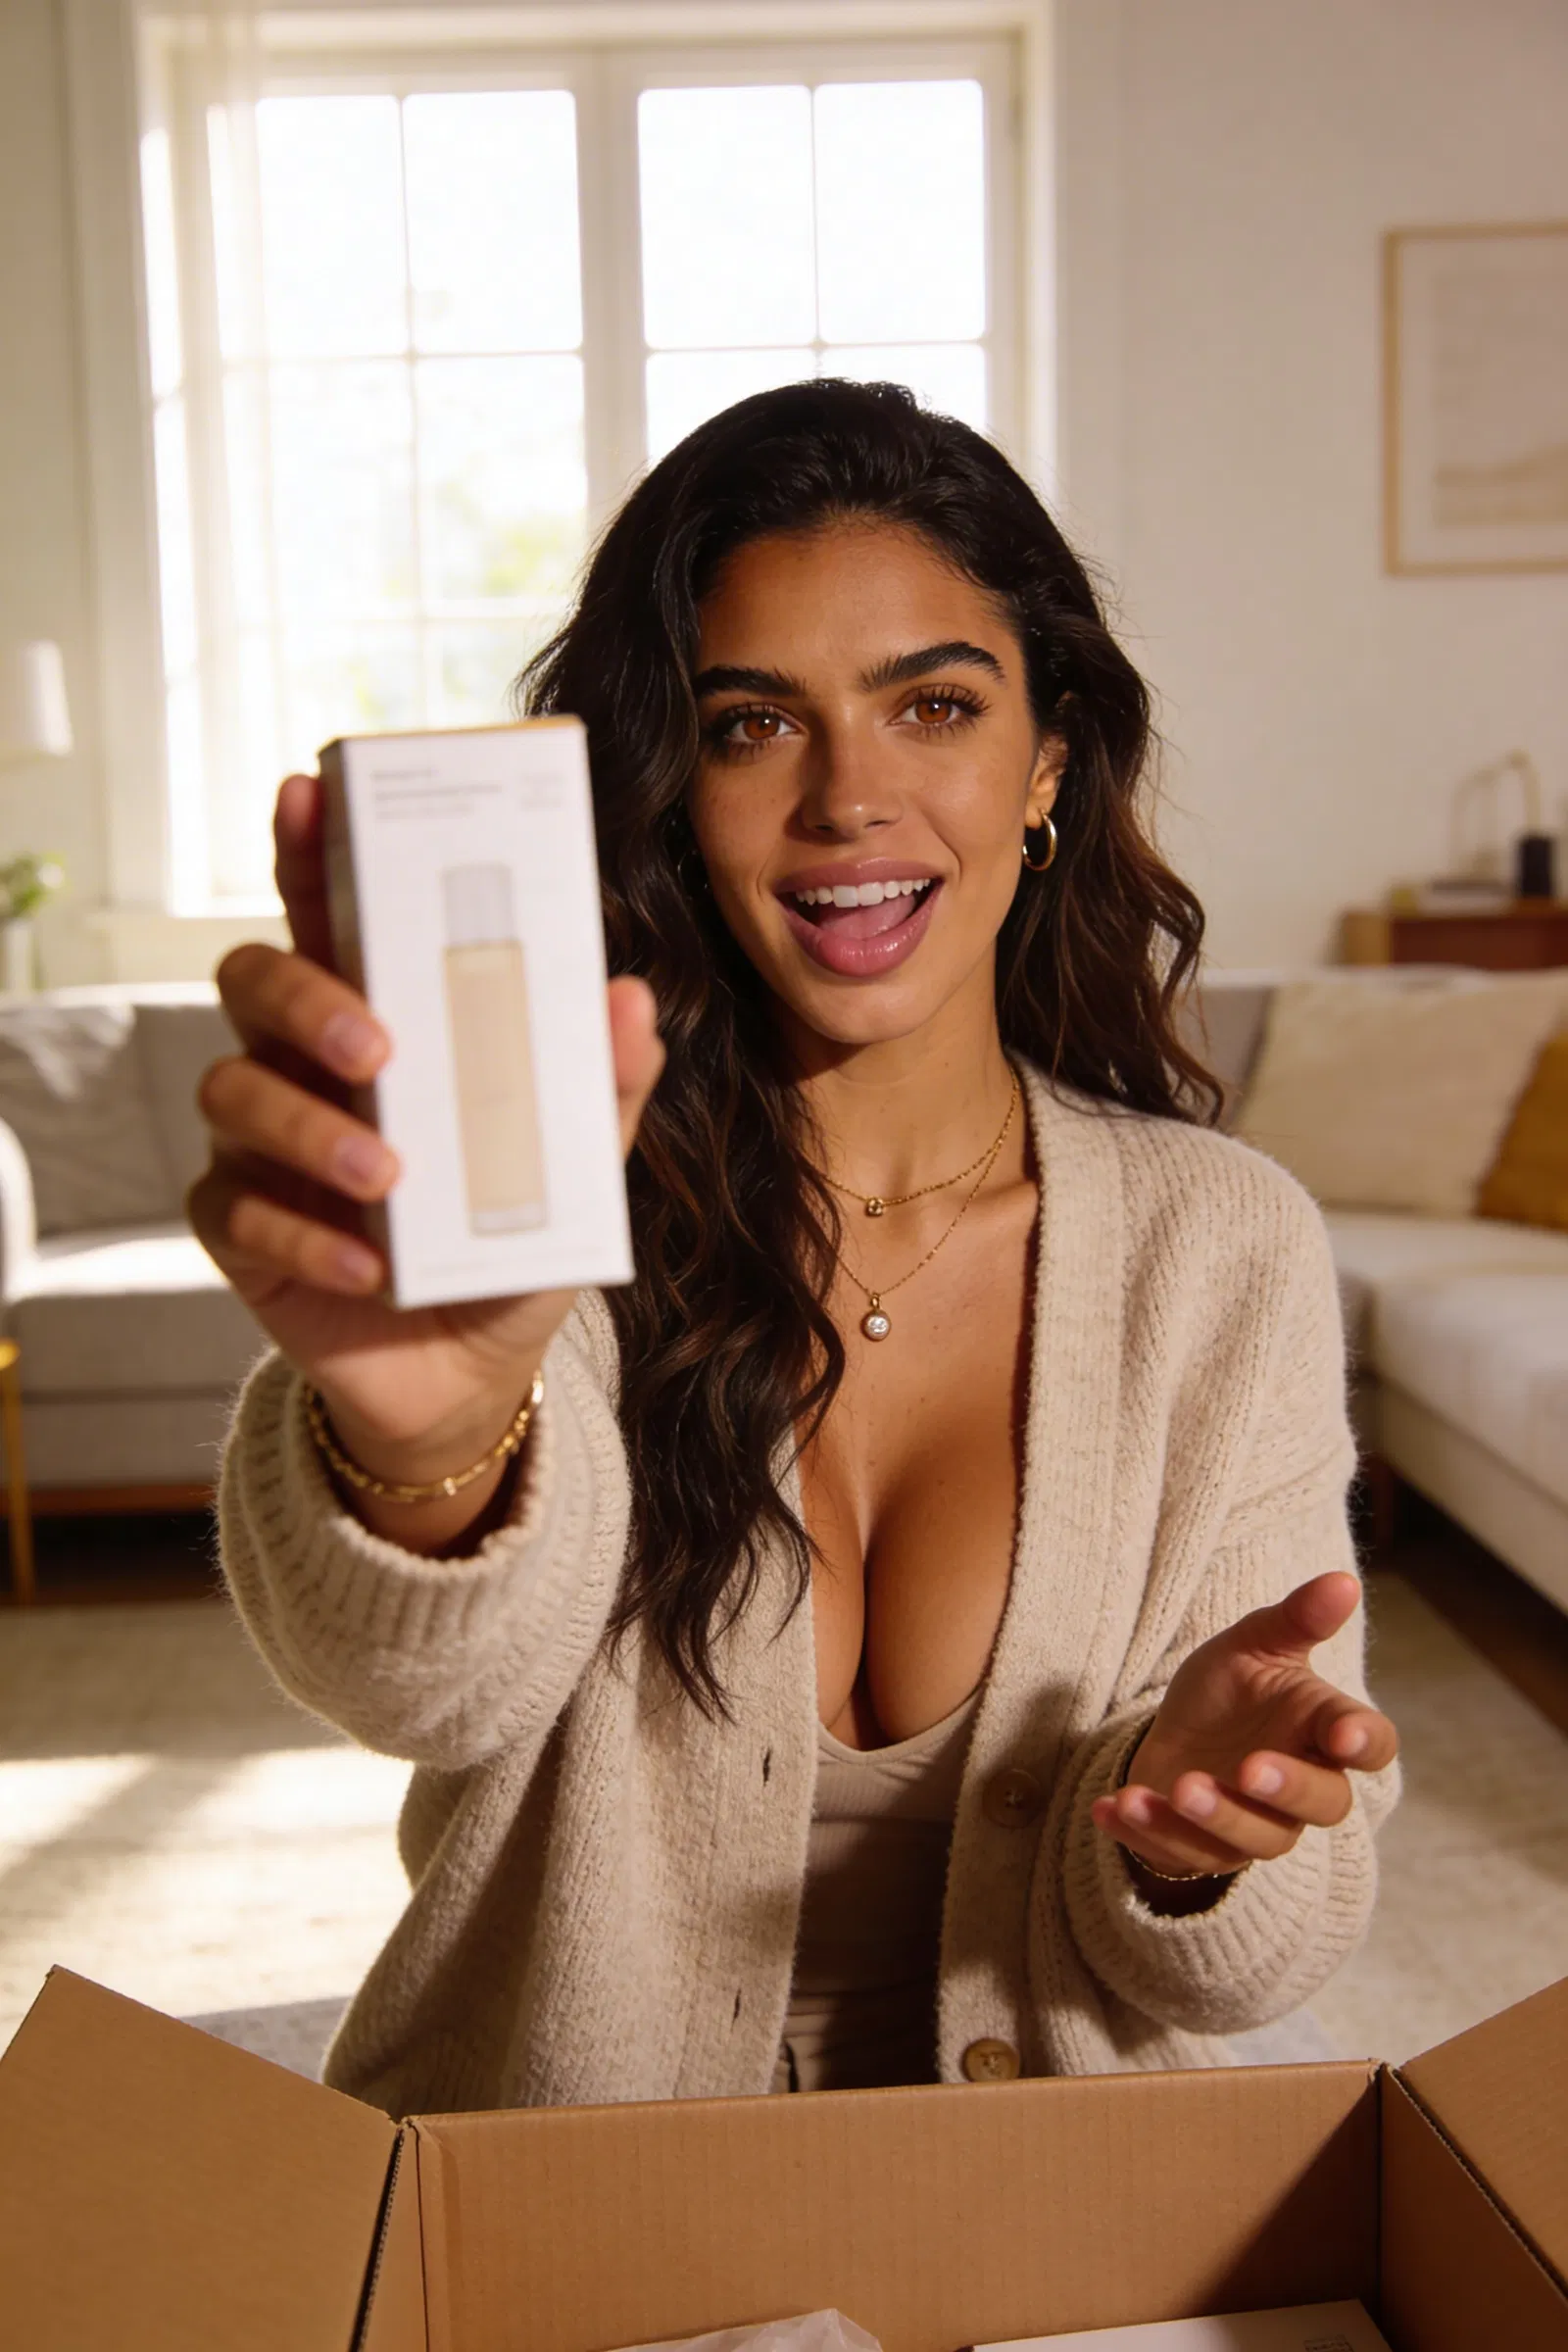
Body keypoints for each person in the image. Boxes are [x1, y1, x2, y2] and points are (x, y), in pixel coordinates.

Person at [194, 379, 1398, 2118]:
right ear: (675, 790)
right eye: (754, 723)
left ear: (1048, 755)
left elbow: (1256, 1955)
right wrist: (432, 1442)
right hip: (564, 2210)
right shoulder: (542, 1210)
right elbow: (417, 1692)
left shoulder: (1220, 1251)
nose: (850, 795)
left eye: (934, 704)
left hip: (1055, 2214)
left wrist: (1199, 1842)